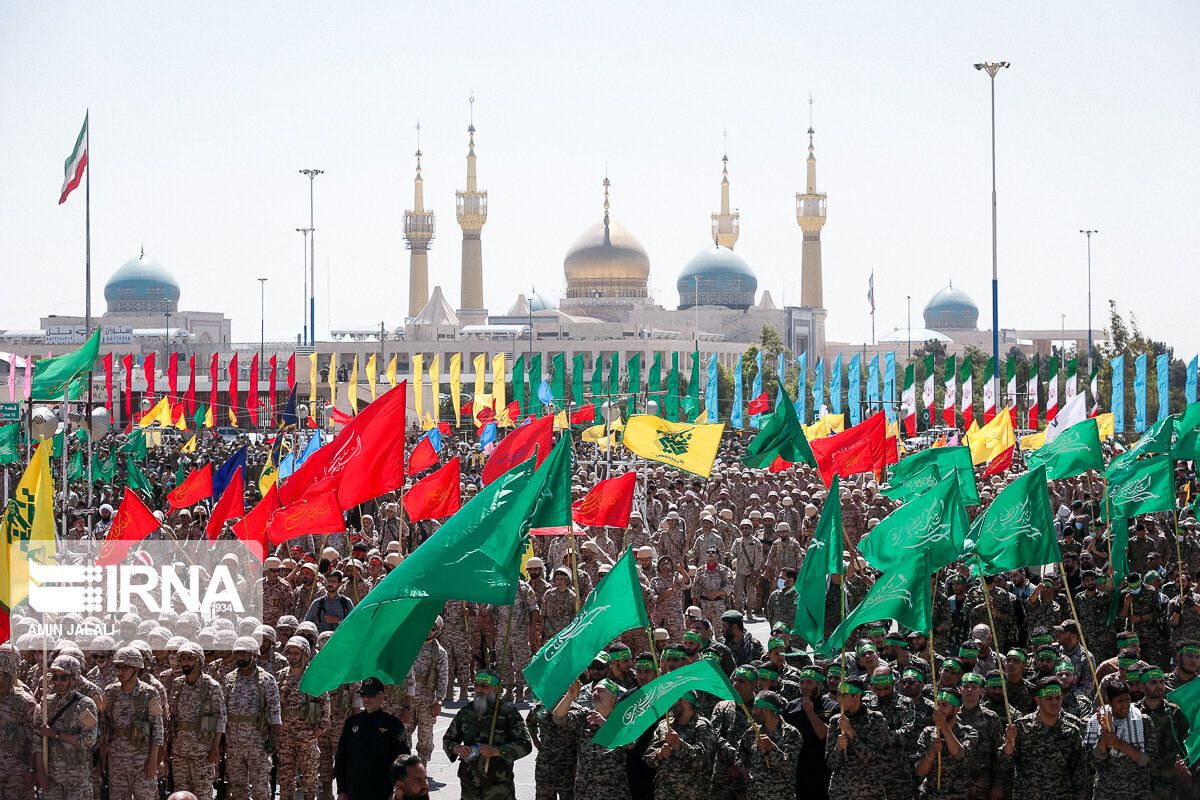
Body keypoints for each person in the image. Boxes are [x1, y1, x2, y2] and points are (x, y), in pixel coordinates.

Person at [443, 670, 533, 800]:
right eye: (477, 685)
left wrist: (497, 751)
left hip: (498, 786)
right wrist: (457, 748)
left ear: (496, 689)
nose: (479, 690)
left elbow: (525, 744)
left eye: (484, 686)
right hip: (469, 784)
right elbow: (448, 739)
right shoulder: (466, 712)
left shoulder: (509, 713)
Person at [999, 677, 1088, 799]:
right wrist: (1009, 741)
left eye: (1058, 698)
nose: (1054, 702)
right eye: (1048, 699)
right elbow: (1005, 763)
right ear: (1037, 700)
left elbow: (1080, 772)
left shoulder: (1072, 729)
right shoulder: (1022, 727)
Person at [222, 636, 282, 800]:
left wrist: (273, 739)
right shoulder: (229, 679)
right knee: (238, 786)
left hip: (258, 743)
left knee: (260, 787)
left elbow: (275, 713)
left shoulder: (266, 680)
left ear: (253, 655)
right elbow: (222, 712)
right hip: (234, 744)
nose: (240, 658)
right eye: (238, 654)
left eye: (244, 654)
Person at [334, 677, 411, 800]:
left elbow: (403, 760)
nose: (366, 698)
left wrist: (397, 790)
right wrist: (341, 790)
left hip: (382, 790)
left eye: (371, 695)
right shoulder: (352, 723)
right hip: (354, 790)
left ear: (381, 697)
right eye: (363, 694)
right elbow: (341, 758)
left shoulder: (393, 724)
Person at [167, 642, 226, 795]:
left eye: (189, 659)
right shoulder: (178, 684)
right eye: (183, 659)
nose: (185, 662)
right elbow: (172, 717)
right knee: (181, 794)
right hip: (179, 752)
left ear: (199, 661)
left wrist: (214, 749)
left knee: (203, 794)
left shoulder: (211, 686)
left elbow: (220, 719)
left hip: (202, 753)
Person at [276, 635, 330, 800]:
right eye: (290, 653)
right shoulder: (280, 676)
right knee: (285, 776)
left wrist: (320, 728)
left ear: (305, 654)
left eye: (296, 653)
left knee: (309, 776)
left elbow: (325, 704)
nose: (292, 656)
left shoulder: (313, 677)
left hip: (307, 735)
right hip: (285, 736)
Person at [1083, 679, 1156, 800]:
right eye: (1119, 701)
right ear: (1110, 702)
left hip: (1138, 792)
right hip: (1105, 793)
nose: (1125, 705)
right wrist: (1105, 735)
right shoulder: (1095, 722)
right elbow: (1092, 764)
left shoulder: (1143, 721)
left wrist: (1119, 744)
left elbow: (1150, 761)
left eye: (1127, 699)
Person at [825, 676, 891, 800]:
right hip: (841, 792)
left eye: (844, 695)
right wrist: (838, 748)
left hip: (869, 792)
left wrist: (851, 733)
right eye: (838, 695)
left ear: (857, 696)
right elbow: (831, 764)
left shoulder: (875, 719)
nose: (839, 699)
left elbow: (870, 756)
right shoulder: (835, 721)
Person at [42, 654, 97, 800]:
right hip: (52, 777)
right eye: (55, 677)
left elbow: (89, 739)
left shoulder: (85, 704)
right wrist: (40, 772)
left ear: (75, 679)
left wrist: (56, 734)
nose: (58, 682)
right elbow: (37, 738)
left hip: (76, 778)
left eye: (63, 677)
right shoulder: (47, 703)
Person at [643, 691, 716, 798]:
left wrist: (679, 744)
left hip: (691, 794)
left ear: (685, 702)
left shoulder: (702, 726)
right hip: (664, 793)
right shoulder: (664, 725)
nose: (669, 705)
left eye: (673, 700)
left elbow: (703, 760)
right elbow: (648, 757)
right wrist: (660, 754)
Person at [912, 687, 977, 799]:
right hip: (930, 795)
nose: (938, 709)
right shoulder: (928, 732)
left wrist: (943, 726)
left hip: (957, 795)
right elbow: (920, 772)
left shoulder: (968, 732)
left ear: (956, 710)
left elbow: (959, 754)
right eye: (937, 704)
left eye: (944, 705)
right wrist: (931, 752)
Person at [736, 690, 802, 800]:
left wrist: (771, 747)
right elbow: (741, 751)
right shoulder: (753, 731)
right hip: (755, 795)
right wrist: (744, 768)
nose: (753, 711)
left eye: (756, 707)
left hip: (780, 796)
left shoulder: (791, 733)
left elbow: (789, 767)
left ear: (766, 710)